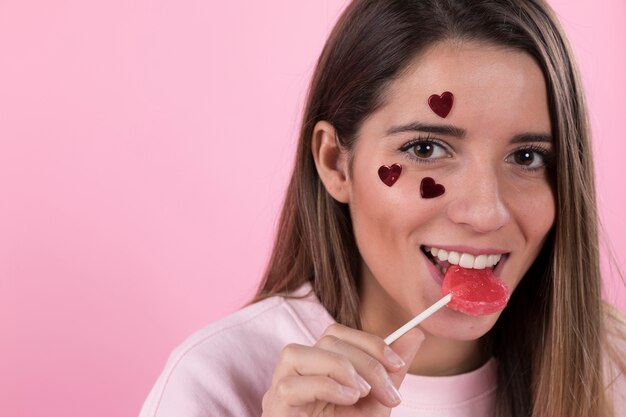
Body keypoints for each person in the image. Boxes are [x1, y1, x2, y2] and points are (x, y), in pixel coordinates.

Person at [139, 0, 626, 416]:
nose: (485, 212)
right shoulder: (216, 383)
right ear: (336, 164)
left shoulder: (612, 371)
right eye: (425, 150)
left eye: (527, 157)